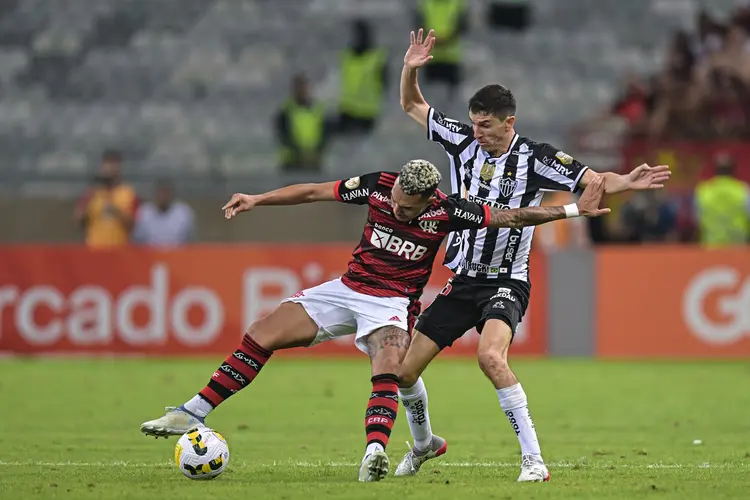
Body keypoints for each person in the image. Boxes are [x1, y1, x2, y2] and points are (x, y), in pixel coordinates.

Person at [140, 159, 611, 483]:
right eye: (398, 198)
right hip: (347, 288)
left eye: (409, 205)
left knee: (390, 363)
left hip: (392, 303)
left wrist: (572, 209)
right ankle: (193, 411)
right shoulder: (380, 185)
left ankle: (375, 451)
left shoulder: (449, 212)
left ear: (429, 200)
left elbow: (512, 217)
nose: (398, 207)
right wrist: (257, 199)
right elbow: (313, 192)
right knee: (263, 331)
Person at [394, 29, 673, 482]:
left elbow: (590, 180)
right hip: (463, 278)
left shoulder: (536, 157)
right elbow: (412, 105)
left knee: (490, 357)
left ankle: (533, 460)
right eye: (474, 122)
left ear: (509, 122)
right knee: (403, 373)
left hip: (507, 280)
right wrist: (410, 68)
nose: (477, 132)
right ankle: (424, 444)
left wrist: (626, 180)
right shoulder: (461, 141)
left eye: (486, 125)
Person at [74, 150, 140, 248]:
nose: (109, 169)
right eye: (106, 164)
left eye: (113, 164)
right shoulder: (92, 192)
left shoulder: (128, 193)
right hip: (94, 250)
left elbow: (133, 225)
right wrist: (86, 201)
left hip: (119, 251)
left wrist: (115, 211)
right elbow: (79, 221)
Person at [337, 19, 388, 134]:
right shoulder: (346, 56)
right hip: (348, 110)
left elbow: (385, 83)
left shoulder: (378, 58)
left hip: (367, 113)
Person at [693, 153, 750, 246]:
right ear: (733, 170)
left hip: (711, 247)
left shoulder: (703, 190)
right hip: (738, 246)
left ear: (715, 170)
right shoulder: (743, 190)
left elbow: (697, 219)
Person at [275, 74, 329, 171]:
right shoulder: (286, 111)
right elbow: (284, 136)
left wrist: (315, 153)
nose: (301, 91)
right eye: (298, 87)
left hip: (314, 162)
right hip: (292, 162)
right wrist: (301, 154)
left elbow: (325, 135)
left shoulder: (318, 110)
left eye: (303, 87)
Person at [132, 178, 196, 247]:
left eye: (166, 192)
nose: (164, 196)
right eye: (161, 192)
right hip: (151, 255)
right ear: (156, 193)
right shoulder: (144, 213)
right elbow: (137, 242)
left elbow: (191, 242)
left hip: (177, 255)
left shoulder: (183, 213)